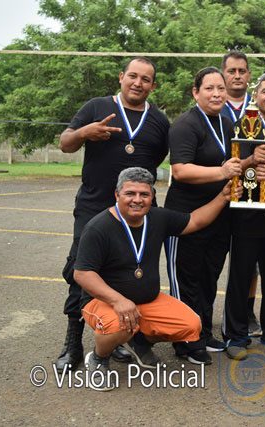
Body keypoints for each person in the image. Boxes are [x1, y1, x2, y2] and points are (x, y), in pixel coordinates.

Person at [74, 167, 239, 391]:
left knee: (191, 325)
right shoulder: (98, 227)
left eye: (144, 194)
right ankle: (98, 358)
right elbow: (82, 273)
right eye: (130, 193)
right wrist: (117, 300)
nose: (137, 200)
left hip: (146, 300)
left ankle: (139, 342)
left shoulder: (157, 217)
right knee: (118, 326)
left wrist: (223, 197)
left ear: (152, 196)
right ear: (117, 195)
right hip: (103, 302)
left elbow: (195, 221)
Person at [55, 57, 170, 373]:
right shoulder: (97, 106)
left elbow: (155, 158)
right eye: (133, 76)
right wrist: (84, 132)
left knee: (130, 271)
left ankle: (121, 336)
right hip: (94, 206)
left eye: (145, 79)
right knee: (80, 270)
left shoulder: (159, 121)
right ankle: (73, 343)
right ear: (121, 77)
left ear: (153, 85)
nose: (138, 83)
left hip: (136, 211)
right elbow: (65, 144)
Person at [164, 67, 242, 365]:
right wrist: (221, 172)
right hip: (185, 216)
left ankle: (203, 331)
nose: (217, 93)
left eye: (221, 88)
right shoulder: (186, 124)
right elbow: (180, 170)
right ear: (195, 92)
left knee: (209, 275)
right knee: (186, 278)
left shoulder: (226, 123)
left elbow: (233, 162)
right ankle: (185, 340)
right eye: (209, 88)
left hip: (219, 213)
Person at [223, 72, 265, 360]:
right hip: (245, 216)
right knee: (240, 278)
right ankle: (236, 335)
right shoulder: (241, 125)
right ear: (256, 95)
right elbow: (230, 164)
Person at [220, 50, 261, 338]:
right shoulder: (212, 102)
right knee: (213, 257)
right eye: (231, 71)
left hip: (252, 193)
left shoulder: (258, 107)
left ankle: (246, 311)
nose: (237, 76)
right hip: (218, 192)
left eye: (242, 71)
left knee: (249, 262)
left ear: (249, 75)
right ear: (223, 73)